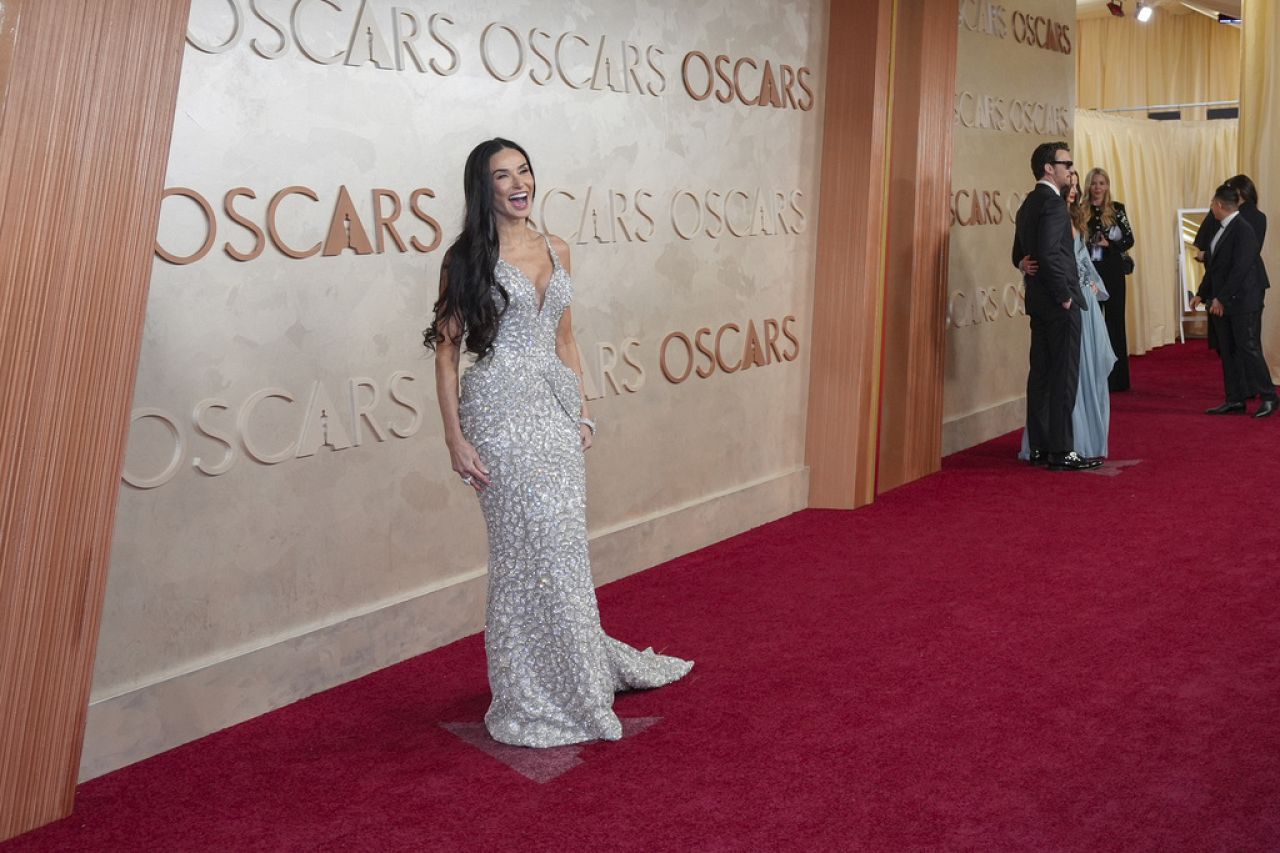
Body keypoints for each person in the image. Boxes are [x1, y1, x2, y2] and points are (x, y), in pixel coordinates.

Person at [423, 138, 693, 748]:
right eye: (503, 175)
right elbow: (446, 352)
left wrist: (583, 411)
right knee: (524, 554)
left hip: (554, 411)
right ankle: (530, 691)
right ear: (483, 188)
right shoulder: (464, 259)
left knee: (564, 550)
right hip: (497, 413)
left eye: (524, 171)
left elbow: (566, 338)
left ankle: (578, 674)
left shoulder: (558, 247)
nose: (519, 183)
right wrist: (454, 438)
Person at [1011, 142, 1101, 471]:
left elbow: (1019, 254)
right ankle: (1062, 450)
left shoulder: (1028, 203)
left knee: (1041, 375)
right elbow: (1050, 254)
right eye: (1067, 163)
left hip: (1038, 302)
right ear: (1049, 168)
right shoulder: (1051, 203)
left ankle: (1039, 447)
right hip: (1058, 303)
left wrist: (1022, 264)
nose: (1071, 169)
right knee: (1063, 377)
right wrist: (1065, 295)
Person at [1019, 170, 1117, 460]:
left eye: (1076, 187)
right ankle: (1061, 445)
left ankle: (1075, 441)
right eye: (1070, 185)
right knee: (1058, 373)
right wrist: (1022, 263)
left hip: (1083, 299)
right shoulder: (1046, 211)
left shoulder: (1074, 218)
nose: (1074, 191)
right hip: (1064, 300)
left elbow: (1083, 259)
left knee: (1084, 370)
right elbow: (1038, 254)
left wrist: (1093, 284)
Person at [1191, 183, 1278, 418]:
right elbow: (1215, 266)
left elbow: (1241, 268)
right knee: (1228, 349)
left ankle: (1269, 396)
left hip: (1242, 300)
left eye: (1212, 204)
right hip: (1224, 300)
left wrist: (1221, 298)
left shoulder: (1243, 229)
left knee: (1248, 347)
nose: (1211, 207)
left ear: (1219, 205)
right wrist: (1201, 293)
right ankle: (1235, 399)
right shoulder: (1221, 228)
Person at [1193, 174, 1269, 363]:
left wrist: (1207, 256)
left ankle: (1256, 382)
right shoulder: (1220, 214)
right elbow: (1205, 244)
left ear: (1240, 192)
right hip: (1224, 283)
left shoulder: (1249, 218)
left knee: (1245, 344)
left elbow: (1243, 258)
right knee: (1231, 343)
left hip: (1243, 287)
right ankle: (1239, 382)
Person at [1084, 167, 1135, 392]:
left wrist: (1110, 244)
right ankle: (1093, 377)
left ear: (1107, 186)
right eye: (1094, 183)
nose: (1097, 188)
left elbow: (1129, 239)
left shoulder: (1117, 210)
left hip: (1112, 271)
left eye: (1101, 183)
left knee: (1114, 322)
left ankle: (1118, 379)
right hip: (1089, 272)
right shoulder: (1079, 210)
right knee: (1092, 322)